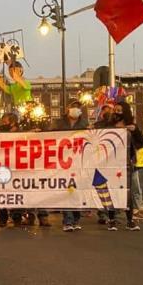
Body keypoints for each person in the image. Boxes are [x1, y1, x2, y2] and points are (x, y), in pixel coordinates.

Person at [105, 102, 143, 231]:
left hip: (127, 164)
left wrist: (135, 131)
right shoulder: (108, 125)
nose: (117, 112)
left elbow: (142, 142)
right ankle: (111, 220)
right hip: (111, 164)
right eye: (116, 110)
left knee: (129, 192)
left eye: (120, 110)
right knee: (111, 191)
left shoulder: (132, 126)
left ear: (126, 112)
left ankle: (130, 220)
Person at [55, 99, 89, 232]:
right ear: (67, 108)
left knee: (77, 192)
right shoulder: (59, 123)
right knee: (67, 191)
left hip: (79, 161)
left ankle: (76, 219)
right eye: (73, 106)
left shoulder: (84, 123)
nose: (76, 108)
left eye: (78, 106)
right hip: (63, 161)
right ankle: (68, 220)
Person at [0, 113, 22, 227]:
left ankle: (17, 216)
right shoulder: (1, 129)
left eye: (5, 120)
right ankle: (2, 218)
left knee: (17, 191)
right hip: (4, 162)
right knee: (3, 191)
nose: (3, 122)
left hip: (17, 162)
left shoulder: (21, 129)